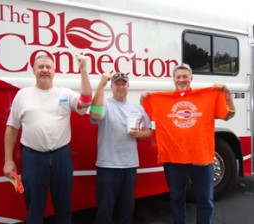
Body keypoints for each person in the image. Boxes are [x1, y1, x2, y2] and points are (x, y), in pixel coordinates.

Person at [140, 63, 236, 224]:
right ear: (173, 80)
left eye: (185, 77)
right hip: (173, 158)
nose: (182, 80)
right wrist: (143, 101)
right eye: (178, 77)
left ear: (191, 79)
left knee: (205, 200)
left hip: (202, 158)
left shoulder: (206, 96)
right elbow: (143, 119)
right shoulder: (161, 100)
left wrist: (227, 94)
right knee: (176, 199)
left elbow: (228, 115)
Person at [3, 54, 92, 224]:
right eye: (41, 67)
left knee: (64, 205)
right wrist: (8, 160)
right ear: (34, 70)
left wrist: (83, 69)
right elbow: (12, 128)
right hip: (33, 158)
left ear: (54, 71)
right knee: (34, 207)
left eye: (48, 67)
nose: (44, 70)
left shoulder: (64, 93)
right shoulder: (23, 95)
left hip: (61, 157)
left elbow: (86, 102)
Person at [90, 72, 152, 224]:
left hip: (129, 165)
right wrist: (100, 84)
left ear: (128, 86)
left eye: (123, 83)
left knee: (127, 208)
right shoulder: (104, 104)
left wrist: (140, 134)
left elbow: (149, 131)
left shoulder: (137, 108)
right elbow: (95, 115)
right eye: (117, 84)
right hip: (107, 166)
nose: (120, 87)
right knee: (105, 208)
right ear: (111, 87)